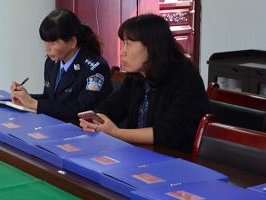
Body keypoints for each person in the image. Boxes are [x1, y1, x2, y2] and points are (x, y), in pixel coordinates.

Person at [79, 13, 210, 152]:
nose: (122, 52)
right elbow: (109, 109)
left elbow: (169, 133)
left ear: (152, 46)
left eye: (129, 44)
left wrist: (116, 133)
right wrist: (96, 120)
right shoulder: (136, 78)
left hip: (174, 157)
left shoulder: (186, 78)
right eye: (124, 44)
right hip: (138, 153)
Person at [9, 9, 112, 122]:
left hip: (80, 129)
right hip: (55, 124)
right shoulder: (52, 62)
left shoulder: (95, 68)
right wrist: (25, 97)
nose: (47, 48)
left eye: (53, 43)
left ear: (72, 42)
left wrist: (34, 104)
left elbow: (82, 111)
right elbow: (51, 99)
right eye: (45, 42)